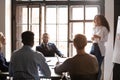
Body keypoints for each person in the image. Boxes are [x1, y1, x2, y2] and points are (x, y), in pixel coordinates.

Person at [90, 14, 110, 80]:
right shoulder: (94, 28)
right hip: (93, 46)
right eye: (95, 19)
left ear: (102, 20)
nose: (96, 20)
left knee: (97, 66)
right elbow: (93, 39)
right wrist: (92, 38)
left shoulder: (104, 28)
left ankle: (97, 79)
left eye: (98, 19)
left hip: (100, 48)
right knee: (91, 64)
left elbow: (106, 39)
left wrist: (98, 37)